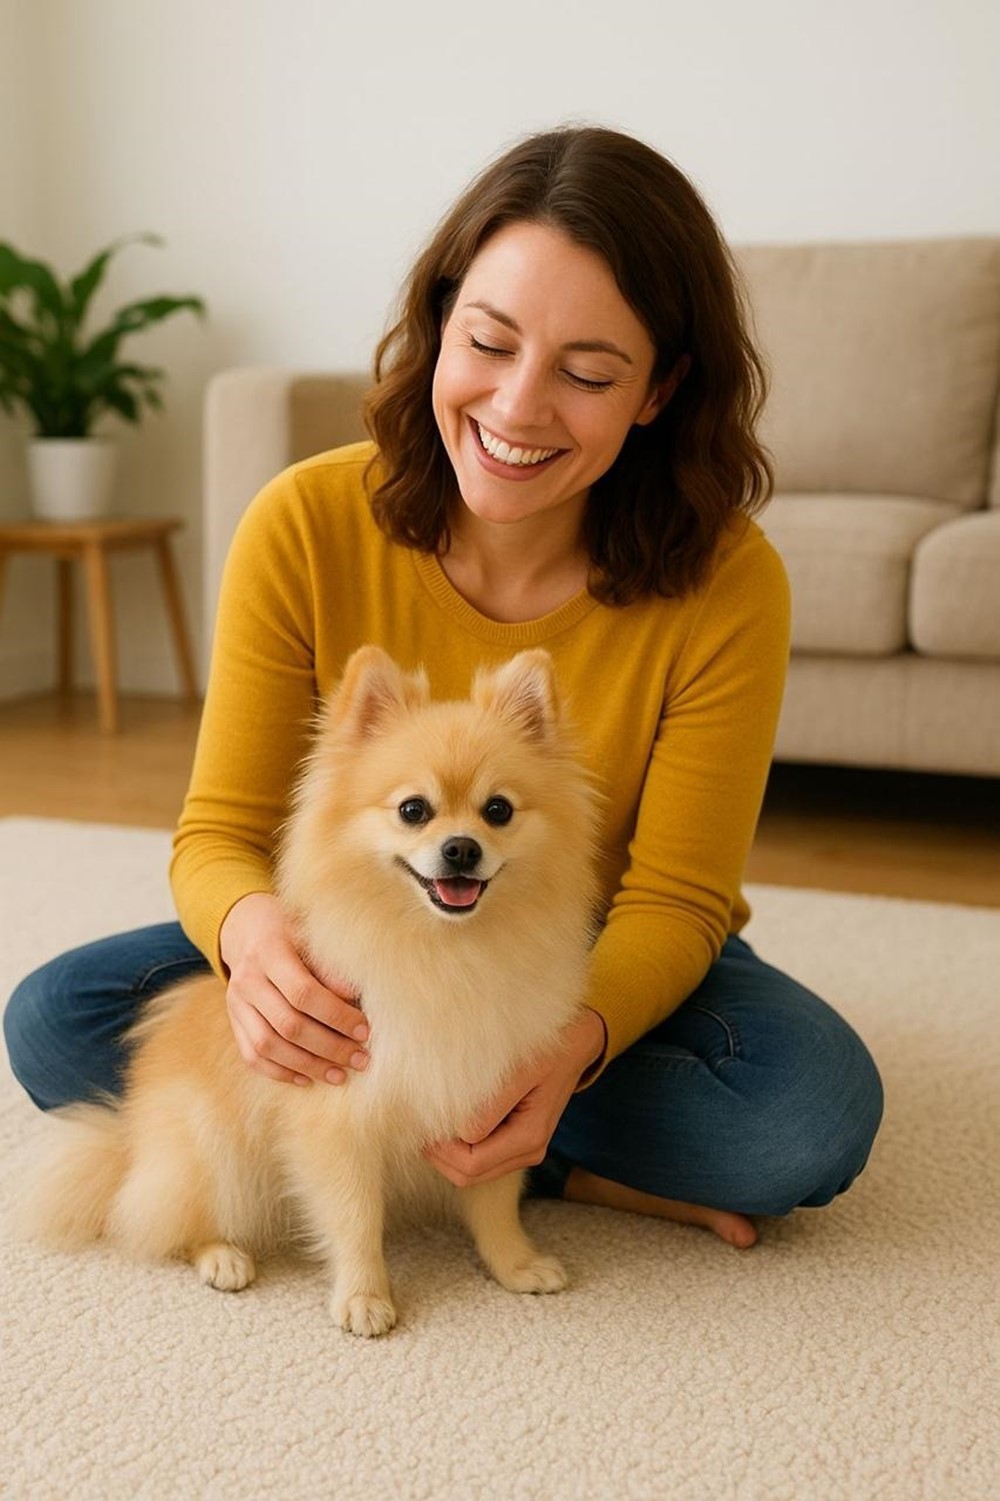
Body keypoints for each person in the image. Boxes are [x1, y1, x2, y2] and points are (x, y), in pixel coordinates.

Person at [4, 125, 883, 1250]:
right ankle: (536, 1152)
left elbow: (676, 898)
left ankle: (491, 1132)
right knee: (56, 1020)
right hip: (364, 939)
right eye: (490, 342)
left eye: (587, 372)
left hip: (578, 938)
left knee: (806, 1117)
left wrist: (568, 1043)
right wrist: (256, 945)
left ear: (658, 389)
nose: (518, 408)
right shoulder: (306, 522)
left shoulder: (727, 582)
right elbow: (218, 831)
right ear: (438, 324)